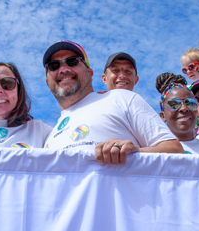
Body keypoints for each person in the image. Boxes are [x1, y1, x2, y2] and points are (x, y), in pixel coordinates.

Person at [41, 40, 183, 160]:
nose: (63, 69)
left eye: (72, 62)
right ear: (47, 83)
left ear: (90, 73)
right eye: (54, 65)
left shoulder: (122, 98)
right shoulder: (50, 139)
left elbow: (177, 152)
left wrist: (135, 153)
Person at [158, 83, 199, 156]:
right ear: (163, 116)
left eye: (190, 103)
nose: (184, 108)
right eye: (174, 104)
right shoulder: (152, 153)